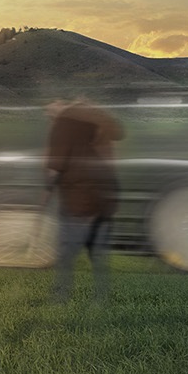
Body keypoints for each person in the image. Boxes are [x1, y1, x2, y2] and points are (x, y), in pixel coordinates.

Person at [44, 98, 124, 302]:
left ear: (61, 105)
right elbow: (119, 134)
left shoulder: (64, 123)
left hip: (77, 199)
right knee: (98, 254)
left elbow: (55, 166)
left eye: (50, 109)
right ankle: (102, 298)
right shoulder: (97, 119)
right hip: (105, 198)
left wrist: (46, 194)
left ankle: (60, 297)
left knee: (66, 253)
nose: (48, 114)